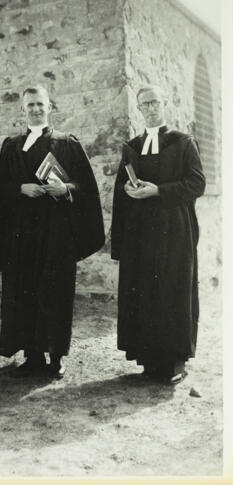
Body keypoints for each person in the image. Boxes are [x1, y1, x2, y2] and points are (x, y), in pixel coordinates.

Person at [0, 85, 104, 378]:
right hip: (21, 235)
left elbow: (86, 187)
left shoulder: (67, 144)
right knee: (25, 292)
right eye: (30, 106)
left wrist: (66, 188)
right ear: (22, 110)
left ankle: (57, 356)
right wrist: (19, 188)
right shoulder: (11, 146)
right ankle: (33, 356)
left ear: (50, 106)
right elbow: (0, 189)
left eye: (40, 104)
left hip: (56, 234)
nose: (36, 109)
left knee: (55, 292)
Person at [111, 84, 205, 384]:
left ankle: (176, 363)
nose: (150, 108)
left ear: (163, 104)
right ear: (139, 109)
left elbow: (196, 184)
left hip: (174, 230)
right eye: (145, 105)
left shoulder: (183, 142)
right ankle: (150, 361)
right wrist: (128, 190)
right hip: (141, 233)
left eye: (155, 102)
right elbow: (119, 190)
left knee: (172, 291)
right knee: (146, 292)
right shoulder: (133, 146)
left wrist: (158, 191)